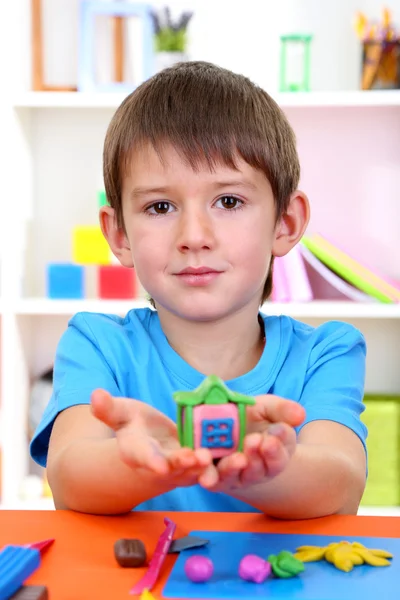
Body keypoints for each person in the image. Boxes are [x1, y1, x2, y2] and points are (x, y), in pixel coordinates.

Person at [30, 61, 367, 518]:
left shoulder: (327, 353)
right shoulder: (98, 344)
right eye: (160, 206)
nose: (194, 234)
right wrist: (162, 460)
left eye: (228, 201)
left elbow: (341, 482)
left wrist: (250, 466)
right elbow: (70, 477)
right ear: (120, 234)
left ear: (285, 223)